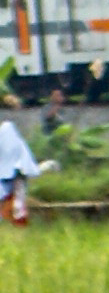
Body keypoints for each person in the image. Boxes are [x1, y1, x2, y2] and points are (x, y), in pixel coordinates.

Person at [0, 97, 53, 226]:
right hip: (15, 173)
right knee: (16, 203)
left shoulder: (7, 130)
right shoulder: (9, 130)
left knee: (15, 203)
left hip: (12, 173)